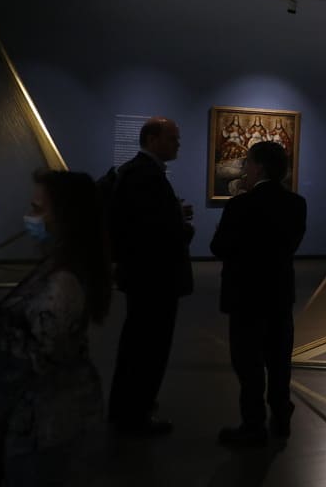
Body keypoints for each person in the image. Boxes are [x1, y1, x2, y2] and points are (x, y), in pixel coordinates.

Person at [0, 171, 111, 487]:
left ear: (67, 217)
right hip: (39, 416)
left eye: (37, 208)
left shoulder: (64, 281)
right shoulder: (57, 263)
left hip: (48, 424)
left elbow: (37, 356)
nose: (29, 216)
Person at [211, 141, 307, 446]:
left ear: (260, 168)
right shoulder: (297, 203)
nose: (245, 169)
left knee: (249, 364)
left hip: (246, 297)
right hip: (279, 294)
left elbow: (219, 247)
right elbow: (291, 245)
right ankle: (281, 413)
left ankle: (253, 425)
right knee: (279, 360)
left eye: (248, 163)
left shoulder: (239, 205)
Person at [108, 117, 194, 435]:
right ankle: (136, 413)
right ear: (153, 139)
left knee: (137, 343)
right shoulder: (147, 175)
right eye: (172, 138)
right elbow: (154, 232)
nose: (178, 144)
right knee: (149, 347)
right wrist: (184, 228)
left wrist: (173, 214)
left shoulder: (136, 172)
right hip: (155, 278)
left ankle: (127, 406)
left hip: (142, 277)